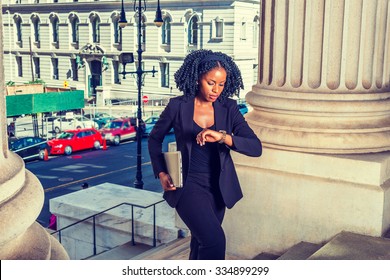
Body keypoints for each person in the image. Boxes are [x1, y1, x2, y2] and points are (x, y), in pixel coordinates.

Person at [148, 49, 262, 260]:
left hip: (218, 189)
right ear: (198, 77)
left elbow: (255, 147)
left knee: (200, 244)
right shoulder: (178, 106)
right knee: (214, 241)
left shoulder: (229, 108)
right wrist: (161, 173)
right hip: (187, 187)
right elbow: (154, 139)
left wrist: (222, 137)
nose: (216, 89)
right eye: (211, 82)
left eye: (221, 84)